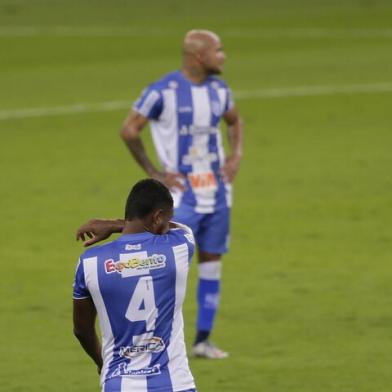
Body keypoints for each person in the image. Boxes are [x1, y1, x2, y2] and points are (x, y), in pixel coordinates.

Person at [79, 29, 243, 359]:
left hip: (217, 190)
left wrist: (235, 155)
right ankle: (149, 340)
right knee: (158, 261)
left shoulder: (219, 90)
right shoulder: (163, 92)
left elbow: (234, 122)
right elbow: (128, 130)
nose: (223, 56)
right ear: (198, 56)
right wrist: (154, 173)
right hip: (181, 195)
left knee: (212, 261)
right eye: (218, 50)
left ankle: (203, 340)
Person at [73, 179, 197, 392]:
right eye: (167, 219)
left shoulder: (90, 262)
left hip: (119, 384)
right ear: (158, 217)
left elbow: (82, 330)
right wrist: (114, 224)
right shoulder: (179, 246)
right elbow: (179, 228)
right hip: (176, 384)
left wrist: (102, 363)